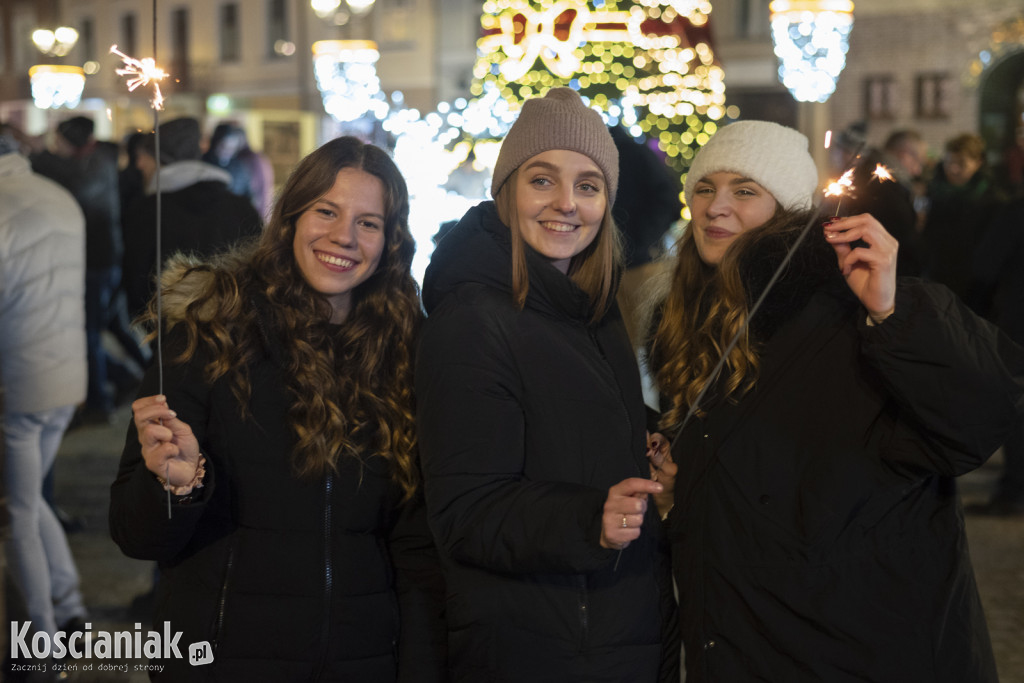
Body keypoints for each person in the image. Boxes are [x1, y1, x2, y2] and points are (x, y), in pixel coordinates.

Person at [646, 120, 1024, 682]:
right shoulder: (684, 323)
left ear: (791, 210)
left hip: (862, 648)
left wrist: (893, 315)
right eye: (705, 187)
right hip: (744, 644)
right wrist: (679, 494)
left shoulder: (852, 305)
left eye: (744, 191)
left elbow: (983, 410)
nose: (715, 207)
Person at [110, 136, 445, 681]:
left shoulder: (406, 351)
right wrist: (178, 484)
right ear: (290, 218)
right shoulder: (210, 336)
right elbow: (136, 534)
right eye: (327, 211)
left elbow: (413, 546)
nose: (344, 236)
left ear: (390, 240)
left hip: (361, 662)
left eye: (368, 222)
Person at [416, 88, 679, 682]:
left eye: (587, 185)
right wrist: (589, 519)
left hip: (618, 631)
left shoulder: (592, 308)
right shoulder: (472, 322)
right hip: (538, 646)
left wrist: (652, 436)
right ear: (507, 190)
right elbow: (466, 510)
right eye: (542, 180)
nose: (566, 204)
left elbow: (574, 415)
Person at [0, 125, 89, 662]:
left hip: (21, 379)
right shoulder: (59, 197)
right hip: (66, 372)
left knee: (17, 513)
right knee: (32, 502)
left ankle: (42, 641)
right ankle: (72, 604)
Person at [31, 116, 144, 423]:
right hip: (106, 259)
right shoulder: (103, 158)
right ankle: (127, 377)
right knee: (106, 326)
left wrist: (37, 152)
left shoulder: (83, 169)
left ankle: (100, 400)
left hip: (94, 262)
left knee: (88, 334)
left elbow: (58, 170)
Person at [121, 117, 263, 321]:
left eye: (144, 157)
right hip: (236, 330)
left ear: (162, 159)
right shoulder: (240, 206)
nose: (139, 164)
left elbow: (137, 285)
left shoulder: (148, 210)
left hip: (172, 334)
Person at [965, 196, 1024, 516]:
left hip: (1020, 323)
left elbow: (985, 264)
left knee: (1018, 404)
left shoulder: (1016, 210)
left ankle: (1015, 491)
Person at [609, 125, 682, 346]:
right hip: (629, 260)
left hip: (637, 262)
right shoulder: (636, 154)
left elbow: (668, 201)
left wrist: (643, 240)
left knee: (639, 339)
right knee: (643, 341)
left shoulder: (631, 155)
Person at [921, 132, 1007, 306]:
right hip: (937, 283)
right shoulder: (935, 192)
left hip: (976, 291)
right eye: (949, 162)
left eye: (961, 163)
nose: (953, 169)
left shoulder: (993, 201)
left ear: (978, 163)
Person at [828, 126, 927, 276]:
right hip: (884, 276)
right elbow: (903, 239)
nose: (918, 171)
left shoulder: (873, 177)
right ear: (904, 154)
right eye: (918, 160)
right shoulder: (884, 184)